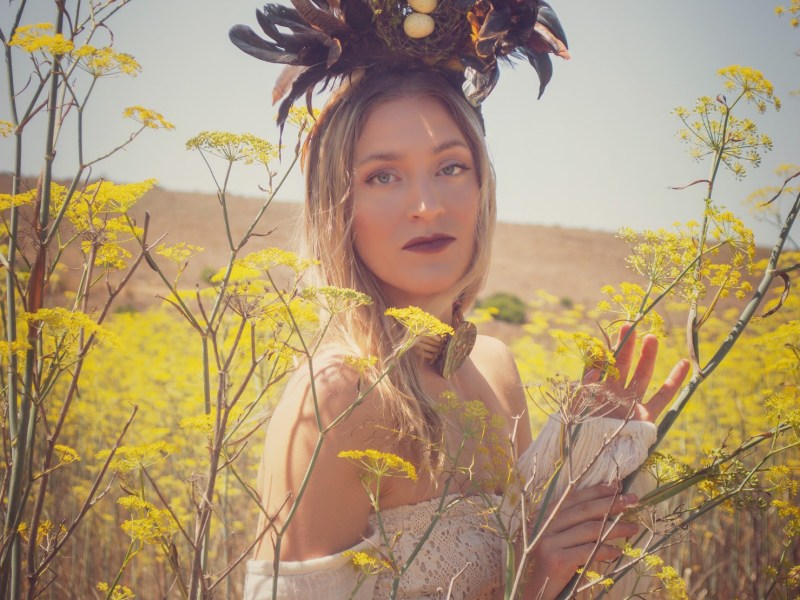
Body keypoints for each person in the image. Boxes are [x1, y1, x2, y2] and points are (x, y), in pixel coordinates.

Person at [231, 3, 690, 599]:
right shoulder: (337, 396)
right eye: (383, 176)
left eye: (450, 166)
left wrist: (585, 465)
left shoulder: (496, 366)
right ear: (336, 206)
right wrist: (529, 579)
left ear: (482, 187)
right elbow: (525, 577)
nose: (426, 204)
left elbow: (543, 560)